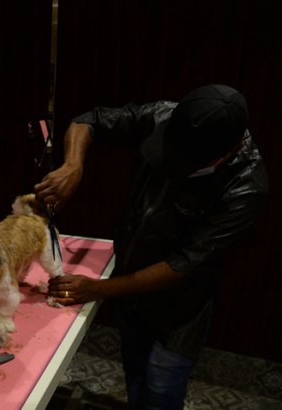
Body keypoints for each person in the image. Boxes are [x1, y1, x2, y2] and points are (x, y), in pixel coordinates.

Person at [34, 84, 268, 409]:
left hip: (181, 308)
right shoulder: (162, 115)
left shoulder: (244, 188)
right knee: (135, 374)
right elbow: (89, 120)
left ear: (225, 154)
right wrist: (73, 165)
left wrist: (100, 289)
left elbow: (181, 265)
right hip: (130, 291)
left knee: (162, 387)